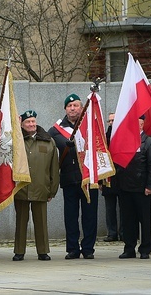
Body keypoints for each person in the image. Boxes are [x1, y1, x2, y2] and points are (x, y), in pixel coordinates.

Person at [49, 93, 98, 260]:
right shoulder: (56, 129)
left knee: (89, 215)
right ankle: (72, 249)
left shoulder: (89, 125)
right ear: (65, 109)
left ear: (81, 107)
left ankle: (88, 248)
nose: (72, 108)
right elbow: (43, 142)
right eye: (69, 106)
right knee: (71, 216)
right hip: (69, 179)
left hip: (88, 178)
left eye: (76, 105)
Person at [13, 110, 59, 261]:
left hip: (41, 187)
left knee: (41, 221)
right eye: (28, 122)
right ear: (22, 124)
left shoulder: (48, 141)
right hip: (21, 188)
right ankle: (19, 251)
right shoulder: (16, 141)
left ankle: (43, 251)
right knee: (21, 221)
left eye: (33, 121)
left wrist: (52, 190)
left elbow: (53, 167)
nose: (31, 124)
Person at [116, 116, 151, 260]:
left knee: (144, 220)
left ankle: (145, 248)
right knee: (128, 220)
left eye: (138, 123)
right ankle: (129, 248)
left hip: (142, 188)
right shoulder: (124, 141)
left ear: (142, 125)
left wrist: (150, 185)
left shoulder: (149, 142)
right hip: (125, 187)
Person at [102, 112, 121, 241]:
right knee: (110, 208)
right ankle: (112, 232)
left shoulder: (123, 135)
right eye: (109, 121)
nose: (111, 123)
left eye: (114, 120)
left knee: (124, 207)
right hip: (108, 176)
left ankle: (124, 232)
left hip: (122, 177)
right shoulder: (104, 137)